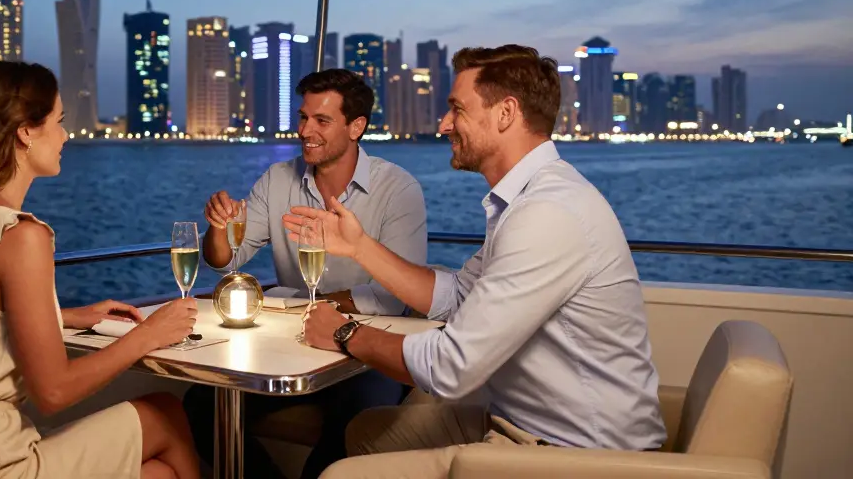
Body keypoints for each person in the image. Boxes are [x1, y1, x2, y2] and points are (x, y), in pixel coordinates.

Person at [284, 45, 666, 478]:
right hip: (517, 419)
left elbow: (452, 367)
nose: (444, 124)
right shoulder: (525, 201)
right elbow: (457, 296)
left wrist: (346, 332)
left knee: (338, 475)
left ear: (505, 114)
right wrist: (359, 247)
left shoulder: (547, 213)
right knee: (364, 432)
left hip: (580, 453)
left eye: (456, 109)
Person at [0, 61, 201, 479]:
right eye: (58, 121)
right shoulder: (20, 236)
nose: (65, 135)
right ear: (25, 131)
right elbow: (53, 392)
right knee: (164, 412)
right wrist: (150, 334)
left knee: (160, 475)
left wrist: (65, 317)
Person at [184, 68, 429, 479]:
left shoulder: (398, 190)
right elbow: (225, 260)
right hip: (294, 345)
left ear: (356, 127)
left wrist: (312, 307)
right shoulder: (278, 179)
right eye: (303, 117)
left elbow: (391, 297)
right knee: (198, 406)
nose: (305, 130)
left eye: (321, 121)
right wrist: (218, 226)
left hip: (367, 353)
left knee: (356, 422)